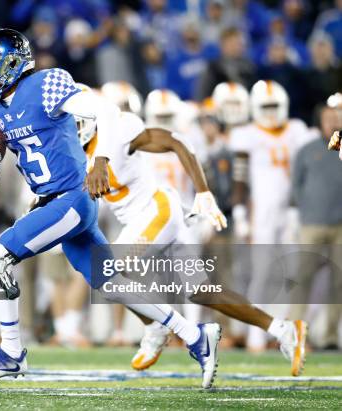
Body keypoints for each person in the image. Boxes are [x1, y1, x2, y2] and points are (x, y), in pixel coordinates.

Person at [0, 28, 221, 389]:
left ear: (11, 64)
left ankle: (11, 354)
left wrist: (100, 159)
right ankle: (195, 335)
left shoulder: (45, 85)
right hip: (52, 202)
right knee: (111, 282)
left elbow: (108, 111)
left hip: (70, 197)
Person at [79, 82, 308, 377]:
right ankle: (284, 330)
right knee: (201, 291)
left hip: (158, 210)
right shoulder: (72, 149)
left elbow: (177, 141)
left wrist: (203, 192)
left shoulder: (119, 131)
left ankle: (157, 327)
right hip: (146, 219)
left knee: (107, 271)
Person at [231, 80, 314, 354]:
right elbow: (240, 177)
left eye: (273, 106)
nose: (269, 111)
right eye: (264, 106)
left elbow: (304, 173)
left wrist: (295, 208)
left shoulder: (297, 131)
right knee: (262, 271)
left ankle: (292, 333)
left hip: (293, 208)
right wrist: (240, 212)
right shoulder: (247, 134)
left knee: (296, 272)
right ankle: (256, 335)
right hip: (263, 211)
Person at [292, 104, 342, 349]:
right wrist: (305, 211)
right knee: (303, 278)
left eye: (337, 117)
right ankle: (295, 333)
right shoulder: (307, 150)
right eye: (328, 118)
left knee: (338, 282)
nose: (333, 122)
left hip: (341, 225)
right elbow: (297, 185)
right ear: (319, 122)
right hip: (311, 223)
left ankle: (330, 336)